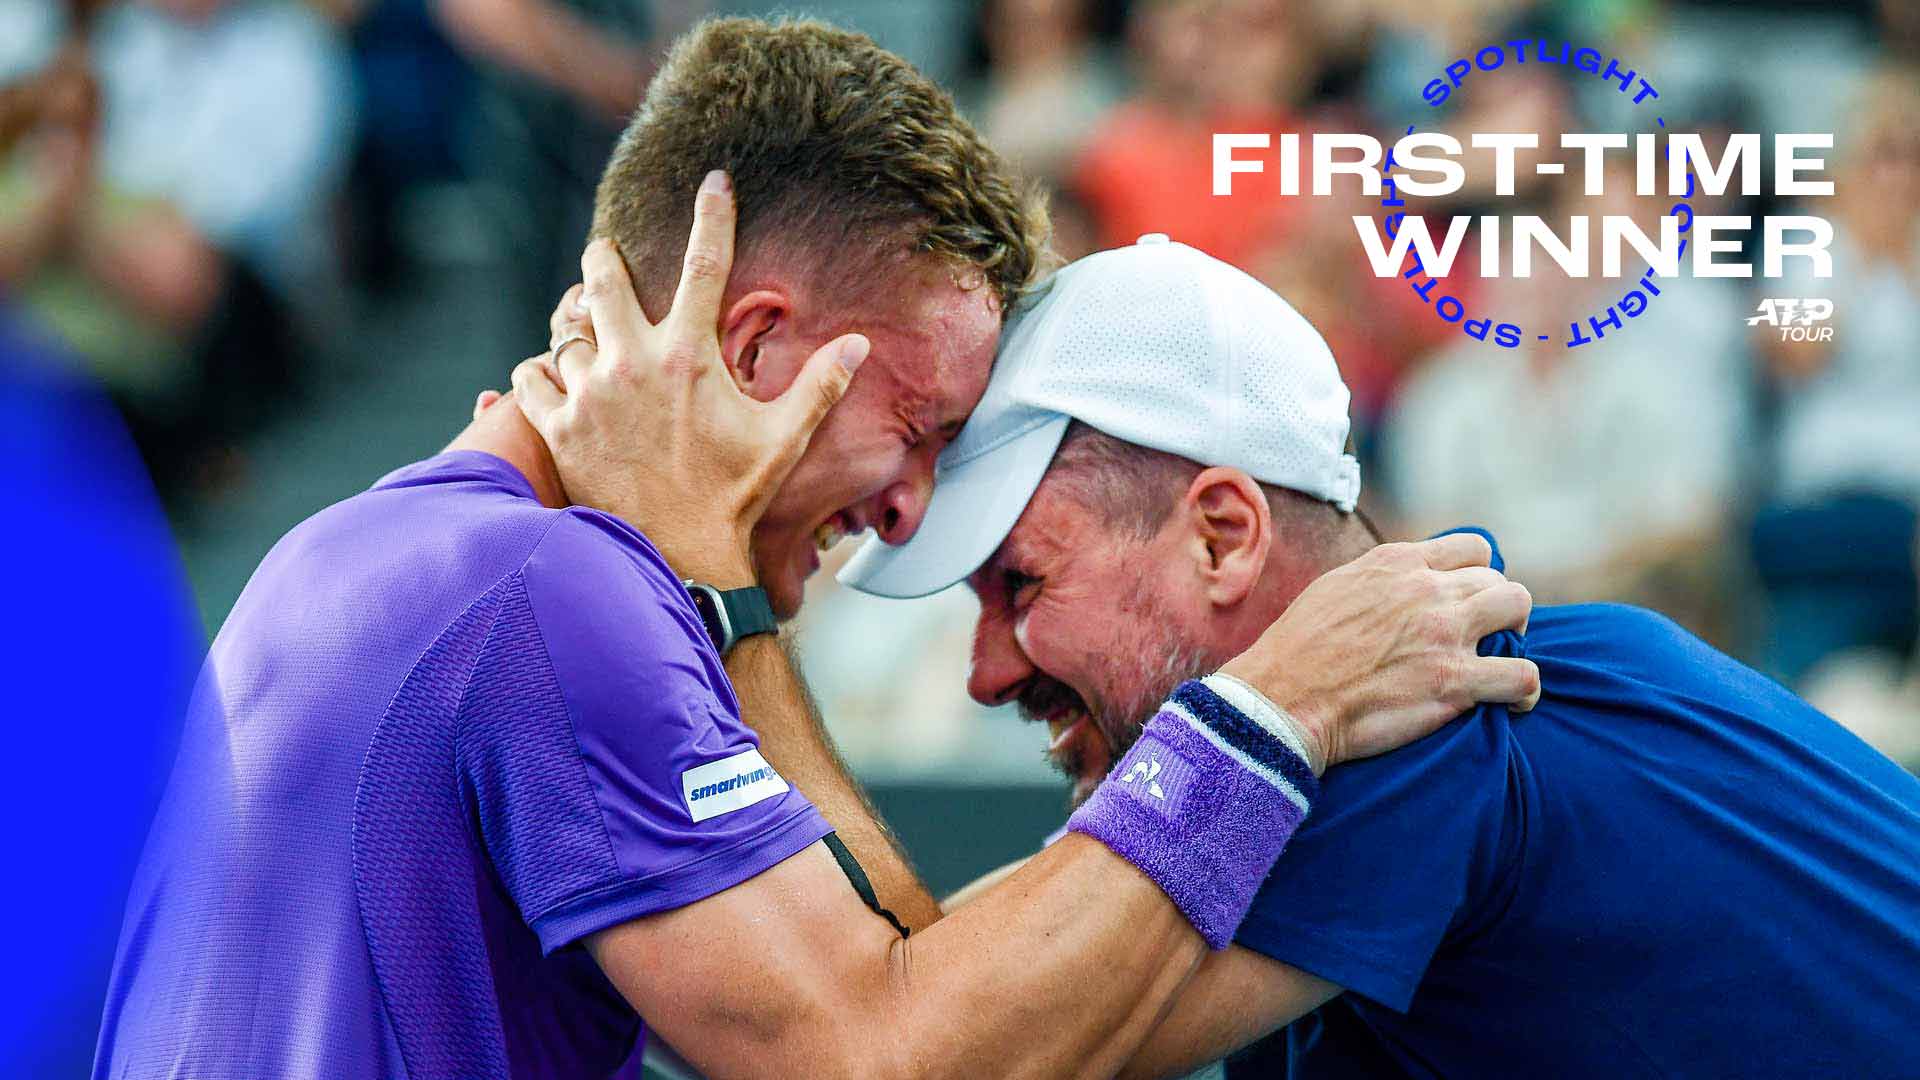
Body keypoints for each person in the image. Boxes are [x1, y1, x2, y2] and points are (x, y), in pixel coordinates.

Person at [94, 18, 1542, 1078]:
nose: (915, 507)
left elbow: (911, 969)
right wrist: (1281, 705)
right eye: (918, 425)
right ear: (754, 344)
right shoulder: (556, 595)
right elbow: (886, 1058)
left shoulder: (383, 549)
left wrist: (730, 606)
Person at [825, 236, 1920, 1077]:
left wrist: (715, 594)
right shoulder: (1465, 706)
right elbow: (912, 975)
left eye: (1022, 586)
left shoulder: (1422, 744)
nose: (985, 671)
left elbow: (885, 1049)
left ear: (1225, 535)